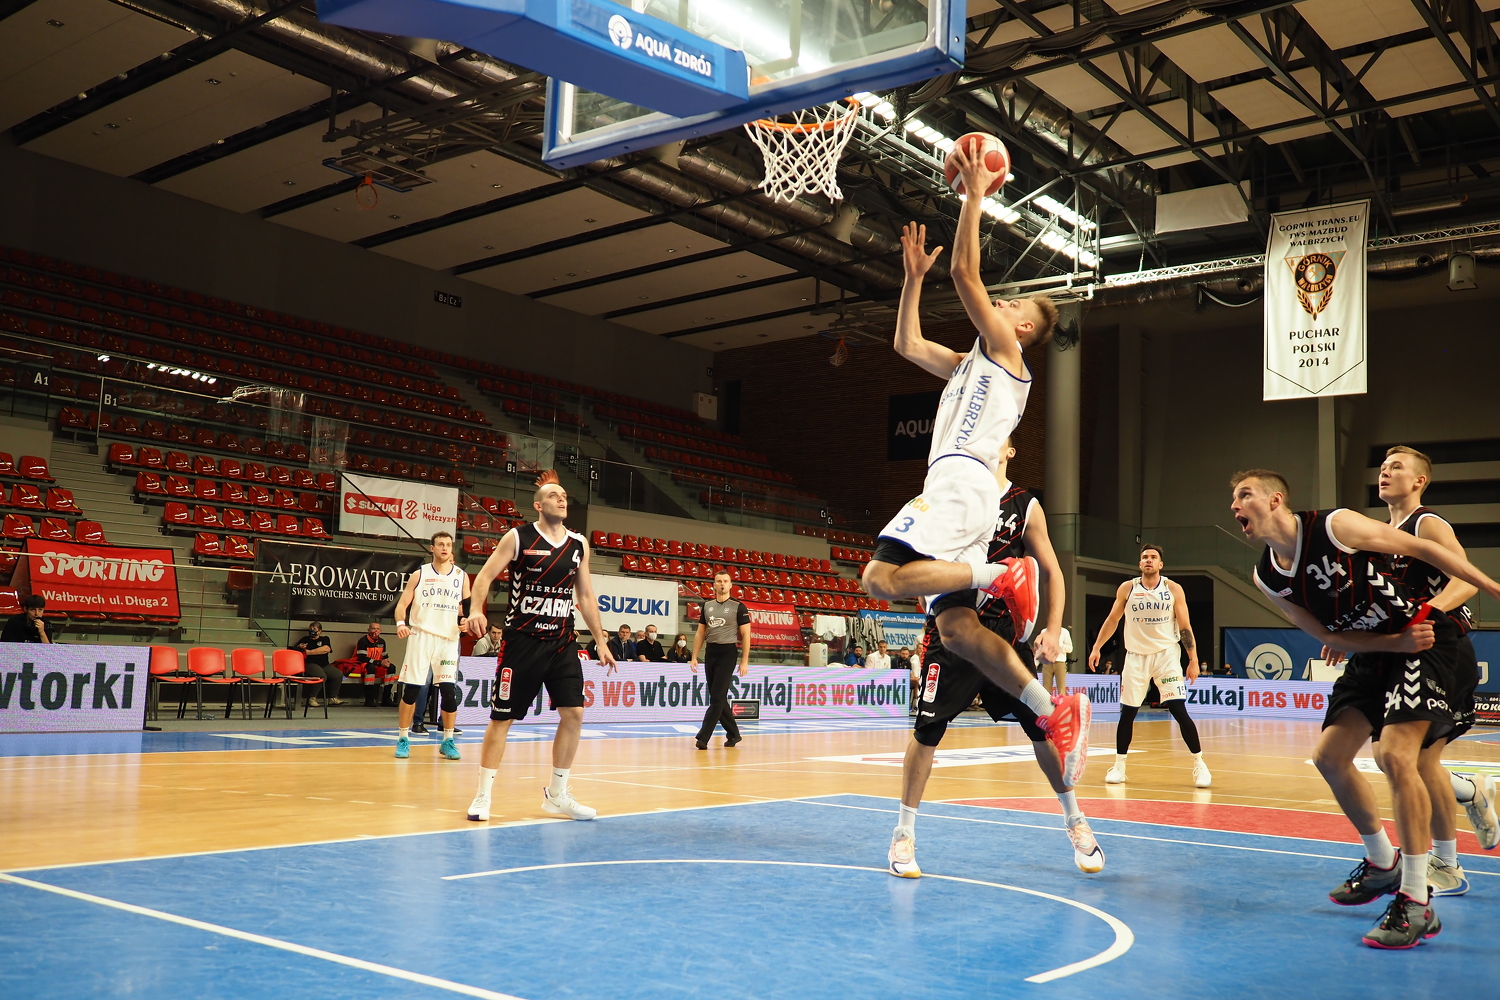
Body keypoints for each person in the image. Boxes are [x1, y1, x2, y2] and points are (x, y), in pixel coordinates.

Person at [857, 207, 1086, 784]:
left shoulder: (1008, 354)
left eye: (1013, 305)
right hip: (964, 491)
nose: (1002, 303)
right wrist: (912, 279)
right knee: (958, 632)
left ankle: (999, 576)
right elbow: (908, 343)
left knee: (878, 580)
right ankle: (1052, 710)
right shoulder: (969, 363)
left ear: (1024, 329)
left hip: (961, 482)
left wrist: (974, 196)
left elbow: (964, 272)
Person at [1230, 468, 1500, 948]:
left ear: (1275, 500)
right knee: (1329, 757)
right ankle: (1382, 862)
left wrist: (1493, 587)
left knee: (1396, 755)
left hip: (1423, 640)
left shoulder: (1334, 526)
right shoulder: (1266, 576)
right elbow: (1326, 635)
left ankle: (1416, 901)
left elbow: (1425, 550)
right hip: (1381, 648)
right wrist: (1388, 644)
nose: (1234, 505)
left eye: (1243, 494)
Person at [891, 442, 1103, 878]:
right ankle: (903, 834)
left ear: (1010, 449)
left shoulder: (1025, 505)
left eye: (997, 439)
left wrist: (1052, 629)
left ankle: (1075, 820)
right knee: (927, 732)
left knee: (1042, 730)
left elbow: (1053, 571)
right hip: (953, 631)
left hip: (1005, 635)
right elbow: (919, 562)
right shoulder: (950, 496)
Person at [1370, 446, 1499, 892]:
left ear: (1419, 480)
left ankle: (1447, 864)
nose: (1385, 473)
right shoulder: (1383, 533)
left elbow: (1466, 578)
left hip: (1442, 648)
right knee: (1399, 759)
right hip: (1406, 652)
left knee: (1416, 759)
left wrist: (1425, 613)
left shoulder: (1427, 523)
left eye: (1396, 467)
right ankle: (1468, 791)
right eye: (1383, 467)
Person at [464, 471, 617, 822]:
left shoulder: (578, 544)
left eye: (563, 495)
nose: (561, 499)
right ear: (538, 505)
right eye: (553, 495)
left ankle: (557, 795)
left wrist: (600, 640)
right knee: (502, 718)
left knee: (574, 713)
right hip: (522, 641)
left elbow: (585, 595)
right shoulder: (518, 537)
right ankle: (483, 795)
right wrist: (475, 610)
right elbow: (484, 576)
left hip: (562, 641)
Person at [1088, 544, 1210, 788]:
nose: (1148, 560)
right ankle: (1119, 766)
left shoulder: (1172, 589)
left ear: (1160, 564)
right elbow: (1112, 619)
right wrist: (1096, 647)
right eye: (1144, 557)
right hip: (1136, 657)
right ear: (1139, 563)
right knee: (1128, 713)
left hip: (1166, 656)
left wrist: (1193, 659)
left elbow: (1185, 627)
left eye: (1153, 557)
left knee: (1178, 709)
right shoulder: (1128, 588)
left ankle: (1200, 765)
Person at [392, 531, 470, 762]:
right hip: (421, 636)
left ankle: (448, 741)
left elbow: (466, 607)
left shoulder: (461, 576)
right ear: (432, 548)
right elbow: (402, 604)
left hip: (448, 639)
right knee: (412, 690)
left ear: (452, 549)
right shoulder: (419, 574)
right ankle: (403, 738)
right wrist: (400, 623)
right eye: (440, 544)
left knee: (448, 691)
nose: (445, 548)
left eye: (448, 544)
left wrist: (465, 620)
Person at [691, 569, 751, 750]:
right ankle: (734, 734)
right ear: (714, 585)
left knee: (717, 697)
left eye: (725, 581)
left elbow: (746, 635)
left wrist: (744, 661)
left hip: (728, 653)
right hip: (711, 651)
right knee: (718, 697)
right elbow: (700, 633)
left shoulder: (738, 607)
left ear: (731, 585)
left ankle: (703, 737)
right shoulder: (707, 606)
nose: (722, 584)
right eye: (719, 581)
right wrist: (694, 656)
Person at [294, 622, 341, 707]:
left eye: (315, 629)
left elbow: (326, 649)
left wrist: (309, 652)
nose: (312, 631)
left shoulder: (325, 639)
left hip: (324, 664)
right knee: (321, 676)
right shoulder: (305, 639)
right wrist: (300, 647)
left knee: (337, 674)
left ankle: (333, 698)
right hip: (310, 664)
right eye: (311, 629)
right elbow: (297, 651)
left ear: (320, 631)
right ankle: (312, 698)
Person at [354, 622, 395, 707]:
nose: (375, 631)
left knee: (391, 668)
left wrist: (386, 662)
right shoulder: (363, 641)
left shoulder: (382, 641)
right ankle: (369, 699)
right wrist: (378, 662)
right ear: (368, 630)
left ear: (380, 631)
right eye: (373, 628)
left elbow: (384, 656)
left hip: (378, 665)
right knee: (370, 667)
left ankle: (386, 699)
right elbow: (362, 658)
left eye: (377, 629)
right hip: (364, 665)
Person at [1036, 626, 1072, 697]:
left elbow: (1070, 648)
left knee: (1061, 689)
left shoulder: (1064, 632)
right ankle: (1046, 703)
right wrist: (1036, 662)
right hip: (1047, 661)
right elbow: (1040, 648)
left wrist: (1059, 645)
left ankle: (1061, 703)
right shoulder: (1044, 631)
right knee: (1046, 689)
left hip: (1060, 662)